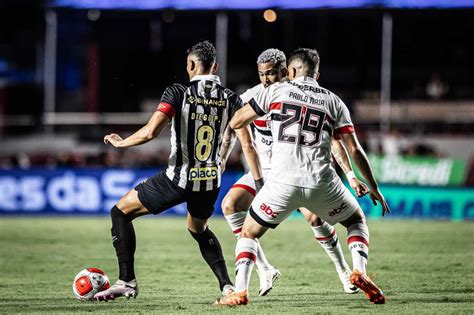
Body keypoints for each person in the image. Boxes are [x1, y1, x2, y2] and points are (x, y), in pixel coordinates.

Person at [216, 48, 390, 306]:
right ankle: (357, 271)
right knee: (355, 220)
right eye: (262, 74)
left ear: (289, 71)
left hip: (281, 180)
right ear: (317, 74)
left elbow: (236, 121)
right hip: (316, 179)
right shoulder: (333, 101)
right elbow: (352, 147)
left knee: (249, 234)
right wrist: (368, 185)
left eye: (272, 73)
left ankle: (240, 290)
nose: (266, 78)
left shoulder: (273, 93)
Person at [94, 41, 252, 301]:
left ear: (190, 65)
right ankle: (227, 286)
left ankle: (126, 281)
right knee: (198, 229)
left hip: (178, 178)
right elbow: (241, 135)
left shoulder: (178, 92)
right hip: (210, 181)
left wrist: (121, 143)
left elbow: (150, 132)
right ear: (216, 66)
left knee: (119, 212)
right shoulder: (231, 97)